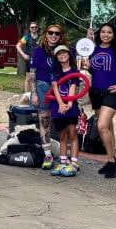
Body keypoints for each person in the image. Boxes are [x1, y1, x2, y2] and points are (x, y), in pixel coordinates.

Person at [83, 21, 116, 178]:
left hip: (112, 93)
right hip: (96, 92)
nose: (106, 35)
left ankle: (112, 161)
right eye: (103, 32)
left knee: (101, 126)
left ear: (114, 35)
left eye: (109, 32)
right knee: (108, 127)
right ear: (99, 34)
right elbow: (95, 72)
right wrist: (88, 67)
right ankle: (111, 159)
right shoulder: (94, 50)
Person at [30, 24, 69, 170]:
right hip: (43, 87)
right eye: (51, 33)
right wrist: (33, 93)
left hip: (61, 86)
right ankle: (47, 154)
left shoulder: (65, 50)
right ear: (46, 34)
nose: (54, 36)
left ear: (61, 36)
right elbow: (33, 72)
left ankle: (66, 155)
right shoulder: (39, 51)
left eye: (57, 34)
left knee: (64, 121)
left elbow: (78, 59)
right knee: (44, 121)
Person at [49, 45, 81, 177]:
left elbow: (73, 87)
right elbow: (55, 88)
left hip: (71, 106)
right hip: (58, 106)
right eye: (59, 54)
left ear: (69, 54)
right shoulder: (54, 72)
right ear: (56, 57)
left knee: (72, 134)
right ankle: (62, 162)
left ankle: (73, 163)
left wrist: (69, 103)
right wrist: (61, 104)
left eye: (64, 53)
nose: (62, 55)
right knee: (62, 135)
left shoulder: (74, 71)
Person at [16, 22, 39, 93]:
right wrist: (23, 55)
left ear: (37, 28)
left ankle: (36, 94)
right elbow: (17, 45)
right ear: (30, 28)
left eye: (35, 27)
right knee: (28, 78)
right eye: (32, 27)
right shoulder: (27, 37)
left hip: (39, 61)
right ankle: (26, 95)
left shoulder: (41, 37)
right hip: (29, 60)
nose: (34, 28)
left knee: (38, 78)